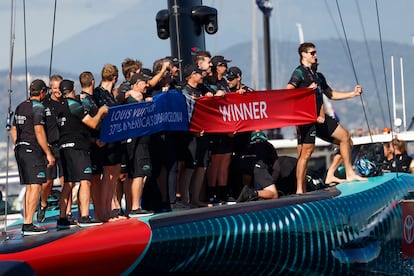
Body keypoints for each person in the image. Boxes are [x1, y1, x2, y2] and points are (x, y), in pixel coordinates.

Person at [286, 42, 366, 194]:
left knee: (345, 138)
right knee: (306, 153)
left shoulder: (318, 76)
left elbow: (331, 94)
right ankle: (299, 190)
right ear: (303, 55)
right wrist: (306, 91)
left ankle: (345, 173)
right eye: (312, 53)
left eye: (315, 53)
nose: (315, 56)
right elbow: (288, 91)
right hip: (307, 119)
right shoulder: (299, 72)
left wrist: (352, 93)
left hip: (321, 118)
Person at [56, 79, 109, 228]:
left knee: (68, 183)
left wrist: (93, 140)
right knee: (85, 180)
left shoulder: (59, 108)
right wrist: (101, 112)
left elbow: (74, 129)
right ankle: (84, 216)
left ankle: (62, 218)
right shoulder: (74, 105)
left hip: (64, 148)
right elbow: (92, 123)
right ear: (73, 89)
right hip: (78, 149)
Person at [10, 79, 55, 235]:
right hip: (32, 150)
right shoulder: (38, 107)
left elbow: (13, 129)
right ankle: (28, 224)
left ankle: (27, 222)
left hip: (21, 149)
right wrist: (48, 153)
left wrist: (18, 145)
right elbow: (39, 131)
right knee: (35, 186)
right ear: (42, 92)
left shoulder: (20, 106)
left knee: (30, 187)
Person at [93, 64, 122, 221]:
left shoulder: (111, 95)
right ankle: (104, 211)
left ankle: (110, 209)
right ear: (115, 78)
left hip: (115, 137)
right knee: (108, 174)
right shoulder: (98, 94)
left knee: (114, 172)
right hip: (105, 138)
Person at [123, 72, 154, 217]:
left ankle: (131, 206)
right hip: (137, 141)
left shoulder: (137, 99)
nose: (147, 85)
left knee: (134, 174)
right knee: (138, 174)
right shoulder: (132, 99)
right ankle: (135, 207)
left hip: (138, 140)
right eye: (144, 83)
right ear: (136, 84)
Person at [37, 74, 65, 223]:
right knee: (47, 181)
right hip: (49, 148)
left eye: (59, 88)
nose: (57, 91)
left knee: (66, 182)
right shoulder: (44, 104)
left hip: (64, 146)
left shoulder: (67, 102)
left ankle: (64, 214)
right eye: (54, 88)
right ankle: (43, 203)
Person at [237, 131, 279, 202]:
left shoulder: (246, 145)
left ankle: (245, 193)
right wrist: (271, 182)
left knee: (247, 182)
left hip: (244, 165)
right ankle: (252, 193)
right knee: (274, 194)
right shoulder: (268, 145)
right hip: (259, 166)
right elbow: (277, 168)